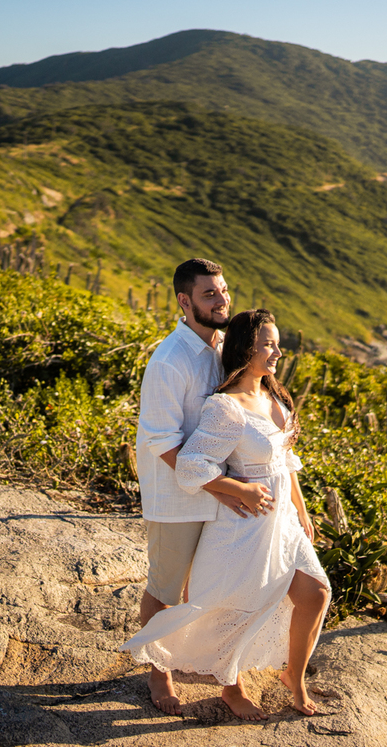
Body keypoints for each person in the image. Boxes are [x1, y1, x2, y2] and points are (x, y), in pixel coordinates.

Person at [123, 309, 331, 719]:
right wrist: (238, 488)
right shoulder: (226, 407)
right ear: (246, 348)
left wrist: (301, 510)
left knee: (315, 593)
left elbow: (286, 459)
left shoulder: (273, 395)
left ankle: (294, 675)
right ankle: (230, 688)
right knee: (236, 605)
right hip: (246, 523)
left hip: (284, 521)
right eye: (268, 345)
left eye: (277, 344)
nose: (277, 352)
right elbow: (191, 465)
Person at [134, 257, 250, 715]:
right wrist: (220, 487)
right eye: (209, 294)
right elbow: (162, 441)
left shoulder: (227, 348)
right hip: (177, 498)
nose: (222, 300)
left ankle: (220, 673)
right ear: (185, 301)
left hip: (221, 491)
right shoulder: (169, 361)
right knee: (165, 589)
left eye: (223, 290)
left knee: (215, 588)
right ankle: (158, 672)